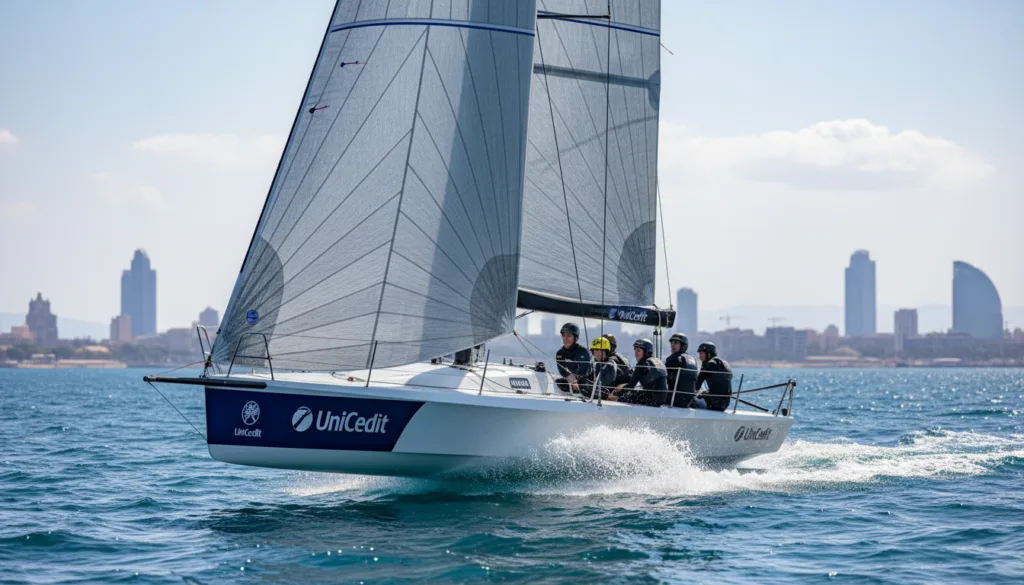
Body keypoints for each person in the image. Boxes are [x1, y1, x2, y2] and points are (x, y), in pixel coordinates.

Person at [609, 338, 667, 406]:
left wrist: (617, 394)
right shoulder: (657, 361)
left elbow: (631, 386)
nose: (636, 353)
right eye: (635, 350)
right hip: (661, 399)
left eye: (638, 351)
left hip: (651, 399)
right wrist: (624, 386)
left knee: (624, 396)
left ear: (646, 352)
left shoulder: (642, 364)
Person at [555, 322, 592, 394]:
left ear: (575, 338)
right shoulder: (559, 353)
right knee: (558, 382)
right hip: (573, 381)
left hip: (587, 381)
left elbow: (584, 371)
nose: (565, 338)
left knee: (583, 383)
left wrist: (576, 382)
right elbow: (563, 371)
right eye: (563, 335)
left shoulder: (583, 351)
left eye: (569, 336)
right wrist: (573, 381)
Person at [695, 341, 733, 411]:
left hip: (714, 404)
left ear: (708, 354)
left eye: (701, 354)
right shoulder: (723, 363)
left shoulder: (710, 364)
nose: (700, 358)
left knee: (690, 401)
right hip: (725, 404)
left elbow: (697, 384)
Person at [665, 333, 699, 408]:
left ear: (684, 346)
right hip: (689, 401)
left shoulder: (672, 358)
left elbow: (664, 379)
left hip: (675, 399)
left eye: (676, 343)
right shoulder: (693, 360)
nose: (672, 345)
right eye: (672, 342)